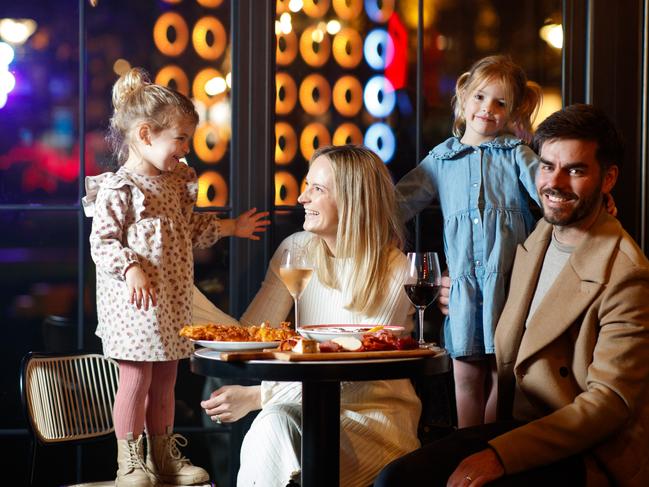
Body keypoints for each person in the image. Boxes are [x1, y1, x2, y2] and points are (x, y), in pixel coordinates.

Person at [375, 103, 649, 487]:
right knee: (396, 478)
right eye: (548, 165)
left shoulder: (626, 274)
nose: (555, 182)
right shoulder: (538, 237)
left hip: (578, 452)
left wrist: (500, 456)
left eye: (576, 170)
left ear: (608, 179)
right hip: (512, 426)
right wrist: (455, 290)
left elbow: (608, 405)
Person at [83, 67, 269, 487]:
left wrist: (230, 227)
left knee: (166, 378)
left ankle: (163, 455)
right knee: (136, 378)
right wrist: (130, 267)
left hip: (170, 302)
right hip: (135, 307)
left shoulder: (176, 182)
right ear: (146, 135)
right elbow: (103, 242)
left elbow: (190, 229)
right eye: (180, 138)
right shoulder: (120, 189)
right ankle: (129, 462)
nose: (186, 149)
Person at [196, 144, 421, 487]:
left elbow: (353, 372)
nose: (302, 198)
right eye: (306, 187)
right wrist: (184, 295)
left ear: (351, 199)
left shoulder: (395, 271)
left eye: (317, 189)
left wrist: (258, 397)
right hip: (308, 414)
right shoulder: (296, 249)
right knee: (272, 424)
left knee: (270, 418)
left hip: (374, 421)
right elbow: (249, 335)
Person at [395, 55, 543, 427]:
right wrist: (356, 204)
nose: (487, 109)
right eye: (480, 97)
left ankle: (488, 451)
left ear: (514, 110)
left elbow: (551, 197)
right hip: (462, 288)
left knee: (500, 373)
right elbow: (397, 205)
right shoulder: (440, 161)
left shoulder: (517, 155)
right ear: (463, 94)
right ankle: (464, 454)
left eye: (500, 103)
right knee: (464, 375)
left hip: (509, 286)